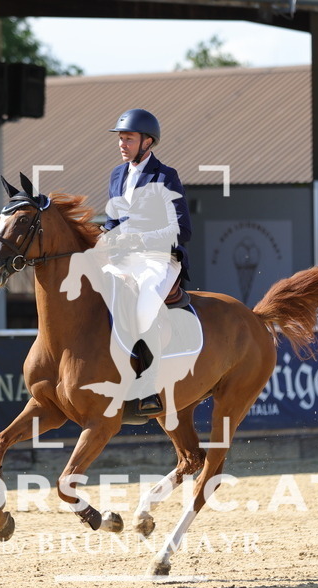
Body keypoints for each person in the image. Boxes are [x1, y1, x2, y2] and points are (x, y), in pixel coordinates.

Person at [102, 108, 192, 416]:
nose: (122, 144)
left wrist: (138, 240)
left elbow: (183, 229)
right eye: (121, 138)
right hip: (125, 260)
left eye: (128, 138)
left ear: (147, 142)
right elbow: (113, 221)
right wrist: (105, 236)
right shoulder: (116, 175)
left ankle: (151, 383)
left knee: (143, 304)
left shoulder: (166, 176)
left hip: (159, 259)